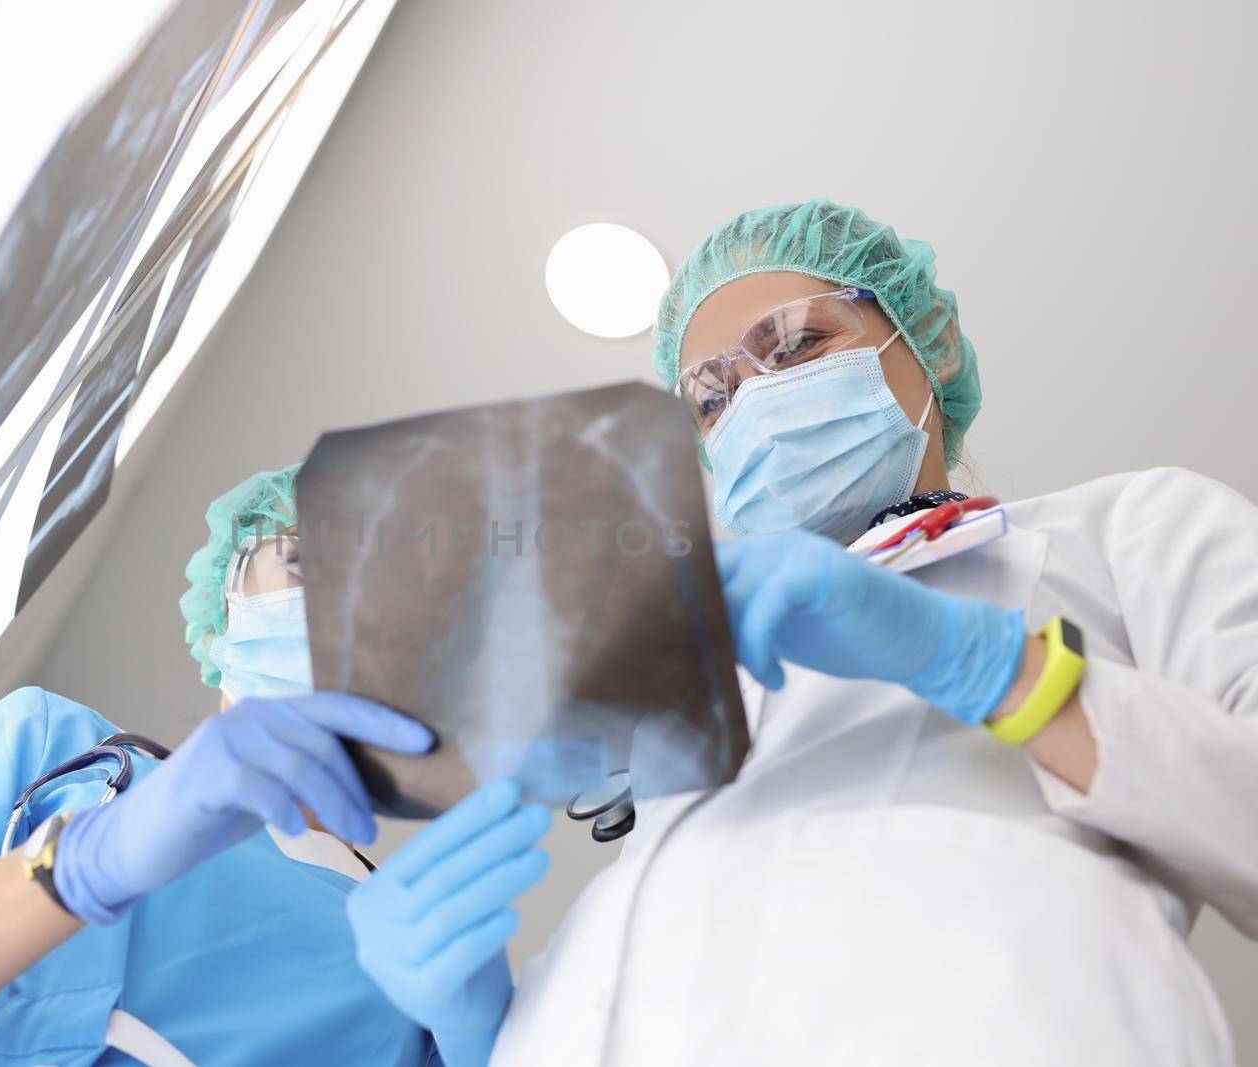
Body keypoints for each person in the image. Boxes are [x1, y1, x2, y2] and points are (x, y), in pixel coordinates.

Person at [347, 199, 1258, 1065]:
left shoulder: (1130, 530)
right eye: (710, 400)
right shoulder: (694, 686)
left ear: (926, 343)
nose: (752, 406)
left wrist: (980, 665)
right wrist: (479, 1030)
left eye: (796, 346)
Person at [0, 465, 547, 1067]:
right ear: (225, 613)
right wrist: (81, 866)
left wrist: (476, 1034)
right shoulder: (50, 743)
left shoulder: (421, 943)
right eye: (306, 560)